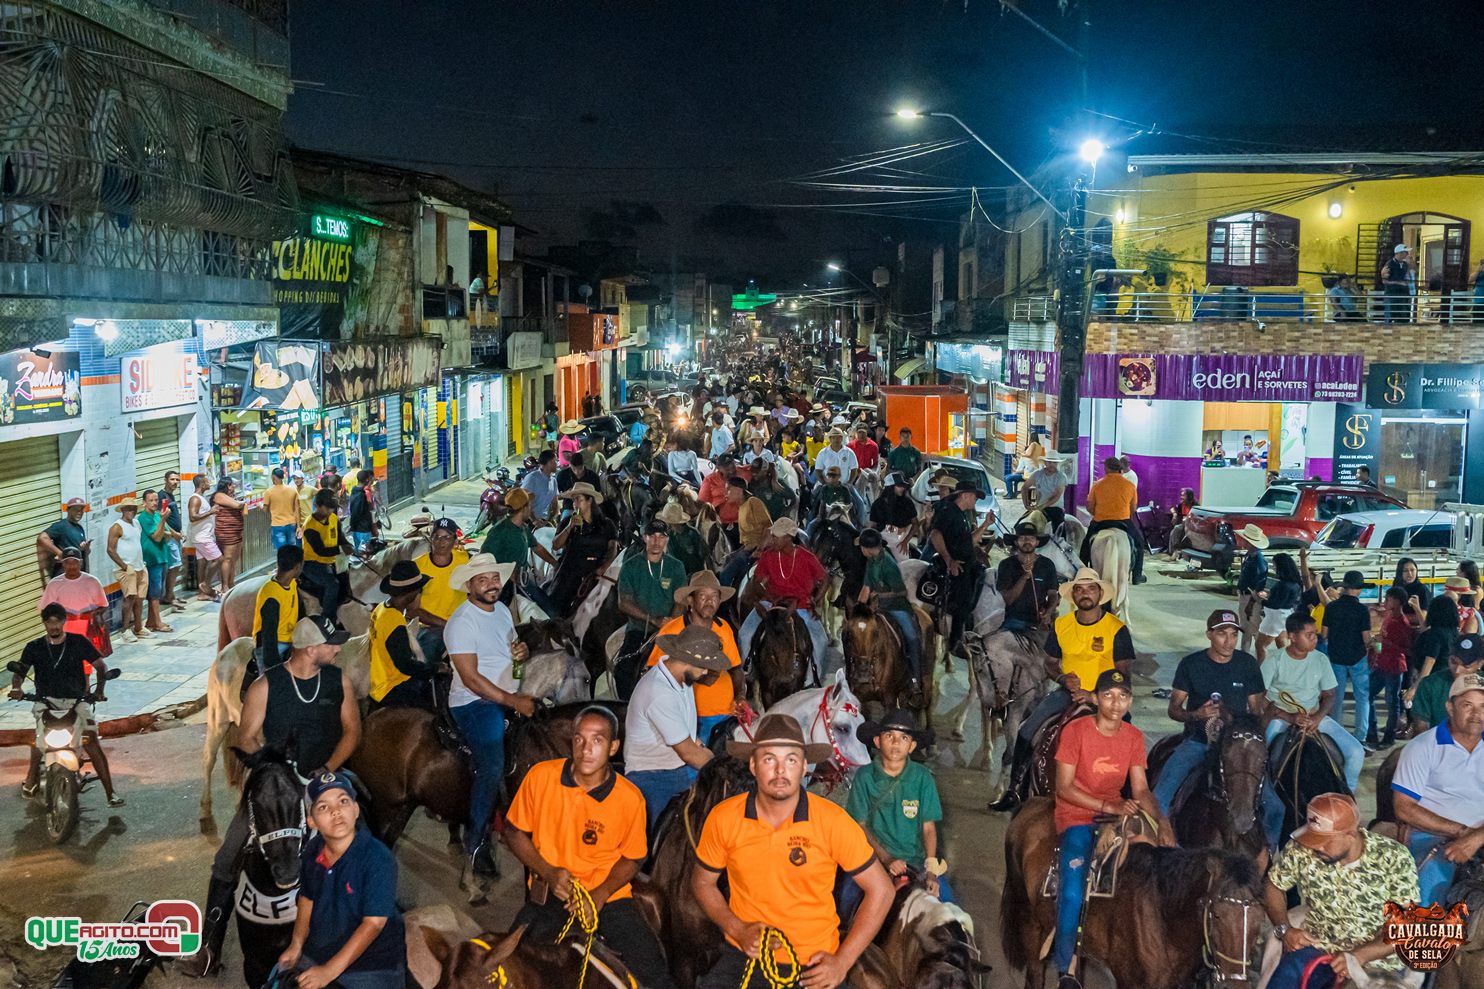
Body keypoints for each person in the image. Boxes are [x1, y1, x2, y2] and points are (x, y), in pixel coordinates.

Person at [181, 614, 357, 978]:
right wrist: (277, 767)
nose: (338, 649)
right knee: (228, 854)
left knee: (363, 834)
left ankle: (369, 921)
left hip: (323, 778)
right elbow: (245, 737)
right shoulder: (266, 685)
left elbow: (353, 731)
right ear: (311, 648)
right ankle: (209, 945)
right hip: (277, 782)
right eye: (332, 643)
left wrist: (327, 770)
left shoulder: (337, 680)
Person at [692, 713, 893, 989]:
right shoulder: (724, 818)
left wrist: (843, 962)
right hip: (745, 957)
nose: (779, 771)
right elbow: (702, 882)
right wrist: (737, 928)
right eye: (768, 759)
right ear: (753, 765)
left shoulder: (832, 821)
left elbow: (881, 890)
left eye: (791, 760)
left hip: (814, 963)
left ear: (803, 768)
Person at [504, 707, 675, 989]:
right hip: (549, 896)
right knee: (508, 967)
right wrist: (548, 871)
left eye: (597, 740)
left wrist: (599, 894)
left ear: (613, 747)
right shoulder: (540, 776)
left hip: (607, 898)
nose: (586, 749)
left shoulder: (630, 799)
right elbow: (513, 831)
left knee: (655, 976)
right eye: (579, 739)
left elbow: (633, 858)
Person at [1050, 669, 1171, 980]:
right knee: (1073, 891)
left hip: (1117, 814)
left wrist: (1161, 821)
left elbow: (1141, 789)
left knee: (1161, 865)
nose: (1116, 703)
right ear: (1096, 698)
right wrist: (1109, 806)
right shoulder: (1076, 731)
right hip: (1076, 814)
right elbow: (1063, 787)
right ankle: (1066, 965)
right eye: (1108, 696)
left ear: (1130, 700)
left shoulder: (1132, 736)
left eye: (1123, 696)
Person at [991, 568, 1135, 812]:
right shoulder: (1062, 625)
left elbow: (1123, 675)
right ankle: (1015, 789)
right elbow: (1049, 661)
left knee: (1128, 740)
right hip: (1066, 693)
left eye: (1091, 589)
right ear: (1074, 596)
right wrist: (1061, 677)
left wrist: (1095, 695)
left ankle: (1129, 797)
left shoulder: (1116, 629)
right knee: (1027, 730)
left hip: (1106, 698)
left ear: (1100, 594)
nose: (1085, 593)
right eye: (1079, 589)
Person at [1262, 792, 1417, 989]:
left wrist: (1358, 956)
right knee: (1282, 980)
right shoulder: (1301, 849)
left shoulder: (1393, 857)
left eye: (1325, 841)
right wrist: (1285, 929)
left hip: (1376, 961)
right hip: (1319, 948)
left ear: (1351, 835)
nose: (1316, 847)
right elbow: (1273, 885)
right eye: (1313, 838)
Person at [1152, 608, 1281, 842]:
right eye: (1222, 634)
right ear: (1209, 634)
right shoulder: (1191, 664)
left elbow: (1256, 709)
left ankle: (1268, 857)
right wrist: (1196, 715)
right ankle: (1165, 849)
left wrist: (1260, 726)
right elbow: (1174, 709)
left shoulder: (1247, 664)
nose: (1229, 641)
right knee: (1160, 796)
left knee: (1275, 807)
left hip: (1238, 748)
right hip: (1199, 742)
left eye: (1234, 634)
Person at [443, 555, 535, 878]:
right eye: (482, 580)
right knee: (492, 765)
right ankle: (476, 841)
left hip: (508, 695)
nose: (491, 584)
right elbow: (470, 679)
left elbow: (511, 656)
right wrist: (512, 700)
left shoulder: (501, 612)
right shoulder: (461, 622)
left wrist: (520, 655)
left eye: (495, 578)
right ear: (469, 586)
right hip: (474, 703)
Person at [277, 771, 407, 989]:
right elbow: (307, 900)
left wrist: (329, 971)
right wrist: (296, 944)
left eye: (343, 801)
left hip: (371, 965)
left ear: (355, 810)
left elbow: (373, 924)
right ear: (312, 821)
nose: (336, 811)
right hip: (318, 950)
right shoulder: (311, 851)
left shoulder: (378, 858)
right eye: (323, 807)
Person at [9, 602, 122, 806]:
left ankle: (110, 792)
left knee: (92, 741)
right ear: (44, 623)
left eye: (57, 622)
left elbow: (100, 666)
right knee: (38, 738)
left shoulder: (78, 642)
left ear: (64, 621)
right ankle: (31, 780)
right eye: (49, 622)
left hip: (77, 700)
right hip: (46, 701)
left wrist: (99, 691)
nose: (54, 626)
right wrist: (17, 688)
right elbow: (20, 671)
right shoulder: (34, 647)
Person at [1392, 667, 1484, 907]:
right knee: (1428, 899)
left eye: (1483, 706)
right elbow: (1404, 808)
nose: (1477, 714)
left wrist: (1474, 838)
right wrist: (1460, 832)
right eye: (1468, 705)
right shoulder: (1423, 747)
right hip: (1433, 833)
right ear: (1450, 708)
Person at [844, 710, 950, 916]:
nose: (895, 742)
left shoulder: (923, 778)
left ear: (911, 746)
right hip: (872, 859)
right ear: (877, 741)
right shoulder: (864, 777)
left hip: (915, 861)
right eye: (888, 736)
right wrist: (886, 858)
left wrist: (930, 869)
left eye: (903, 738)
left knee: (951, 909)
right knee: (846, 900)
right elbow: (859, 825)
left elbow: (928, 828)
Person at [626, 624, 726, 824]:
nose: (706, 671)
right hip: (651, 777)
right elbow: (688, 752)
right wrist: (723, 772)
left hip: (676, 770)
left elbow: (692, 741)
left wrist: (716, 762)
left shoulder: (682, 680)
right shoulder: (659, 692)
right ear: (687, 662)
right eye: (703, 666)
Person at [1263, 612, 1367, 794]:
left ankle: (1348, 799)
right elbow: (1260, 697)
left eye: (1315, 634)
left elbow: (1329, 694)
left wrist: (1317, 718)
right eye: (1309, 634)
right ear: (1292, 637)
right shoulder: (1274, 660)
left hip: (1313, 717)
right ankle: (1262, 799)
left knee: (1356, 752)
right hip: (1281, 718)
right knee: (1262, 755)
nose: (1314, 638)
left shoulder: (1320, 659)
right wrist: (1289, 716)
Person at [645, 571, 743, 742]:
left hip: (725, 713)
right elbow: (655, 674)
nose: (709, 601)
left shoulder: (724, 627)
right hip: (688, 715)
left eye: (714, 596)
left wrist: (740, 696)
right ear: (690, 600)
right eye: (703, 595)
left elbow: (735, 668)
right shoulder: (671, 631)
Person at [737, 518, 829, 682]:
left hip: (800, 605)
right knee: (744, 634)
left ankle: (812, 678)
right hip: (771, 602)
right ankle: (747, 670)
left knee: (821, 640)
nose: (772, 539)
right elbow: (757, 580)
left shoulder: (806, 557)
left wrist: (815, 599)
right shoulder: (768, 556)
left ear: (788, 537)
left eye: (776, 536)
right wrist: (761, 598)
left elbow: (825, 579)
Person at [615, 520, 686, 696]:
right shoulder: (630, 566)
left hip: (670, 629)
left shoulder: (676, 566)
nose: (656, 541)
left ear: (667, 540)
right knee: (623, 670)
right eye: (652, 536)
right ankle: (627, 708)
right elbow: (624, 602)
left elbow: (681, 600)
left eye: (661, 537)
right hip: (640, 629)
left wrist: (670, 623)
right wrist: (652, 619)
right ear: (645, 538)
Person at [857, 528, 924, 694]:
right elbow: (866, 587)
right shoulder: (871, 561)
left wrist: (879, 595)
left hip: (896, 607)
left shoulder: (889, 564)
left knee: (912, 638)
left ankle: (915, 678)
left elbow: (901, 591)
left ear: (866, 548)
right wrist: (858, 609)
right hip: (877, 606)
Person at [367, 561, 437, 711]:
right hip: (394, 686)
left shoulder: (381, 608)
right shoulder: (394, 620)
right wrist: (435, 669)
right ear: (412, 592)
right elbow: (405, 665)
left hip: (377, 683)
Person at [929, 479, 986, 657]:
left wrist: (985, 526)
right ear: (965, 495)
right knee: (964, 599)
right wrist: (949, 560)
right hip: (956, 564)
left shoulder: (961, 514)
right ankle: (954, 642)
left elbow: (968, 541)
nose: (976, 501)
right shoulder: (948, 512)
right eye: (975, 497)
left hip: (966, 561)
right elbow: (935, 534)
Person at [481, 488, 559, 613]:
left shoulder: (523, 528)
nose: (531, 509)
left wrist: (555, 563)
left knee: (548, 607)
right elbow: (484, 557)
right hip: (505, 587)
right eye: (530, 505)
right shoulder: (500, 531)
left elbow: (536, 547)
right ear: (525, 508)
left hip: (522, 581)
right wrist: (506, 571)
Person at [548, 482, 618, 618]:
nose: (575, 503)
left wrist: (604, 566)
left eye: (578, 499)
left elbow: (613, 548)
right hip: (571, 571)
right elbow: (556, 545)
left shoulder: (607, 524)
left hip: (596, 572)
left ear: (589, 500)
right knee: (556, 609)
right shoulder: (568, 521)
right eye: (573, 500)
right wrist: (570, 527)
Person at [1321, 570, 1374, 748]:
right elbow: (1366, 638)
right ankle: (1360, 737)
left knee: (1336, 697)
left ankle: (1335, 733)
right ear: (1358, 589)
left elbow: (1324, 634)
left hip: (1336, 657)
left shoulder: (1331, 607)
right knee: (1362, 698)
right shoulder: (1362, 610)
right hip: (1357, 658)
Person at [413, 518, 471, 663]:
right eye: (437, 536)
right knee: (426, 656)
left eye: (447, 537)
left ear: (455, 541)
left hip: (463, 622)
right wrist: (447, 625)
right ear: (430, 539)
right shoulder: (418, 566)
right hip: (430, 626)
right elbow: (413, 610)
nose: (441, 541)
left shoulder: (466, 560)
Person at [1081, 457, 1145, 585]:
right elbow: (1133, 508)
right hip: (1123, 522)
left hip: (1100, 521)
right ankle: (1137, 576)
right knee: (1140, 544)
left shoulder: (1097, 485)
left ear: (1107, 468)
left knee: (1085, 546)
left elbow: (1090, 507)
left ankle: (1083, 574)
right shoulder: (1130, 486)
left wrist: (1098, 514)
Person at [1371, 586, 1416, 748]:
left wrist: (1384, 643)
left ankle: (1388, 737)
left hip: (1394, 667)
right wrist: (1377, 650)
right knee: (1369, 695)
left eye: (1388, 599)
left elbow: (1407, 649)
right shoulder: (1389, 616)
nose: (1385, 601)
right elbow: (1383, 639)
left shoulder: (1403, 623)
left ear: (1397, 602)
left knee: (1392, 703)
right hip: (1382, 664)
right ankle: (1373, 731)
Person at [40, 546, 108, 648]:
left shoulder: (92, 582)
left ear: (80, 562)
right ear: (63, 564)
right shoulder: (54, 584)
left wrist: (92, 614)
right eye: (68, 563)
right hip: (65, 634)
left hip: (88, 632)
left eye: (75, 562)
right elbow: (45, 610)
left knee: (89, 661)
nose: (72, 566)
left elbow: (104, 606)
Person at [995, 521, 1058, 631]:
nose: (1027, 541)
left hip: (1039, 621)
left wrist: (1048, 612)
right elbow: (1008, 600)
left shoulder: (1047, 564)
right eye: (1022, 538)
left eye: (1031, 538)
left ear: (1037, 542)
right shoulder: (1006, 565)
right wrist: (1024, 576)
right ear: (1016, 542)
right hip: (1014, 620)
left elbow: (1053, 594)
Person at [252, 545, 304, 677]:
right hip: (272, 645)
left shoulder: (292, 584)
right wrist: (274, 666)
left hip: (290, 641)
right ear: (298, 567)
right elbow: (269, 634)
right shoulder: (271, 595)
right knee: (273, 687)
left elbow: (301, 614)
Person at [1406, 595, 1459, 721]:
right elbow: (1426, 629)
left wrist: (1415, 687)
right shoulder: (1454, 632)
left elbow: (1429, 662)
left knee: (1430, 718)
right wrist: (1417, 608)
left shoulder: (1435, 634)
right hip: (1449, 679)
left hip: (1434, 681)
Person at [302, 490, 348, 623]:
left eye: (332, 507)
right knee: (332, 584)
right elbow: (320, 551)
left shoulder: (334, 519)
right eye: (327, 507)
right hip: (313, 563)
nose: (330, 511)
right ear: (318, 505)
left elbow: (341, 538)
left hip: (333, 560)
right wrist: (340, 549)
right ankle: (328, 619)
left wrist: (347, 545)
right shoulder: (310, 525)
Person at [106, 497, 148, 642]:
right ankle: (125, 630)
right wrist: (125, 567)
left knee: (139, 598)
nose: (132, 511)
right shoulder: (117, 526)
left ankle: (138, 627)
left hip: (140, 566)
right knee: (129, 598)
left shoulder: (136, 524)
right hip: (126, 568)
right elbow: (110, 550)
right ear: (123, 510)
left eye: (134, 508)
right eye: (129, 508)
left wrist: (141, 564)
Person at [137, 489, 175, 634]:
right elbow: (158, 537)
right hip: (152, 560)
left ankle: (151, 621)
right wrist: (163, 522)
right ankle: (157, 622)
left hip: (162, 557)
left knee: (158, 590)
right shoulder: (144, 518)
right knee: (154, 592)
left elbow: (169, 535)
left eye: (156, 500)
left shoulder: (158, 516)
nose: (154, 503)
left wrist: (163, 527)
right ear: (144, 502)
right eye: (151, 501)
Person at [1256, 551, 1302, 665]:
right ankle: (1288, 668)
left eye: (1275, 565)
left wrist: (1262, 599)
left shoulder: (1284, 584)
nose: (1274, 567)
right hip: (1285, 615)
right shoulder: (1295, 583)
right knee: (1282, 643)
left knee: (1261, 645)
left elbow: (1275, 604)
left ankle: (1261, 669)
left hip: (1275, 616)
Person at [1236, 524, 1270, 655]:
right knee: (1245, 628)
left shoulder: (1258, 561)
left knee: (1253, 628)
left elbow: (1259, 583)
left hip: (1251, 598)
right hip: (1246, 596)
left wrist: (1252, 602)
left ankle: (1260, 655)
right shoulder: (1250, 557)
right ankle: (1244, 654)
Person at [37, 497, 90, 581]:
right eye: (76, 509)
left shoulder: (79, 528)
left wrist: (86, 548)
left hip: (77, 574)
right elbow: (42, 538)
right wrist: (60, 553)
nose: (79, 512)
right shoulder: (61, 526)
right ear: (68, 510)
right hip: (65, 574)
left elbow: (83, 552)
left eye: (81, 510)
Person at [187, 474, 221, 601]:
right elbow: (192, 516)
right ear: (201, 484)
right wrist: (210, 512)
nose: (209, 484)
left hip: (203, 536)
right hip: (202, 537)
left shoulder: (201, 498)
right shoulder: (195, 499)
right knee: (219, 559)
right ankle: (206, 585)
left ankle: (202, 593)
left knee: (202, 563)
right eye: (207, 482)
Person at [158, 470, 186, 613]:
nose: (175, 482)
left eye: (177, 480)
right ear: (165, 480)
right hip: (170, 538)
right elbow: (162, 517)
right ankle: (168, 595)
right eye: (172, 479)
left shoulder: (171, 495)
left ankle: (171, 594)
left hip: (176, 537)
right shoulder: (162, 497)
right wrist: (174, 533)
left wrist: (180, 532)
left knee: (176, 566)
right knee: (174, 566)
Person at [211, 477, 246, 591]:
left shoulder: (232, 497)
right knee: (228, 558)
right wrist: (243, 503)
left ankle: (231, 582)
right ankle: (225, 585)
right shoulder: (219, 495)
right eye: (231, 485)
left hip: (236, 531)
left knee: (234, 559)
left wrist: (241, 503)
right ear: (226, 486)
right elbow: (237, 506)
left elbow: (241, 510)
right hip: (226, 531)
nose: (234, 487)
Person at [1021, 458, 1067, 527]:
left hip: (1055, 507)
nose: (1052, 465)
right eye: (1049, 462)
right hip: (1039, 507)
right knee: (1022, 525)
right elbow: (1024, 487)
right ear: (1045, 463)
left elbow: (1057, 496)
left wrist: (1043, 506)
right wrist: (1026, 505)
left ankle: (1061, 537)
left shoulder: (1061, 476)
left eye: (1054, 463)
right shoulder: (1037, 474)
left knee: (1059, 529)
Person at [265, 467, 301, 549]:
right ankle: (292, 562)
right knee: (291, 550)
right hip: (292, 524)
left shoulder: (269, 492)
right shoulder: (292, 490)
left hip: (277, 525)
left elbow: (265, 509)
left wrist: (260, 505)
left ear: (273, 477)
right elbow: (297, 509)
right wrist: (298, 526)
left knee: (282, 551)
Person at [521, 449, 560, 521]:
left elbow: (555, 504)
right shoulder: (532, 478)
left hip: (545, 521)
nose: (557, 464)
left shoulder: (553, 481)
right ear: (549, 462)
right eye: (555, 461)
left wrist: (549, 521)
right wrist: (535, 521)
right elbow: (524, 502)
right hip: (530, 521)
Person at [1381, 243, 1414, 324]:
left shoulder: (1405, 265)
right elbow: (1384, 281)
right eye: (1405, 252)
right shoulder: (1390, 264)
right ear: (1399, 253)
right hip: (1392, 295)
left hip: (1403, 295)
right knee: (1391, 317)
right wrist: (1398, 283)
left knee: (1404, 317)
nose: (1407, 254)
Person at [347, 470, 377, 551]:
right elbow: (356, 513)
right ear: (367, 480)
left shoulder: (354, 492)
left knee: (360, 552)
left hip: (358, 529)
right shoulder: (361, 495)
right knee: (366, 553)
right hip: (363, 529)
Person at [1167, 487, 1198, 556]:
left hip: (1192, 526)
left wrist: (1188, 519)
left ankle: (1175, 552)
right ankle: (1173, 552)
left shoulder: (1195, 506)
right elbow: (1172, 508)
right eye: (1181, 495)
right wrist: (1174, 514)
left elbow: (1197, 518)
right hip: (1184, 525)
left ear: (1189, 496)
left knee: (1177, 528)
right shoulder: (1182, 504)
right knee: (1172, 532)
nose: (1181, 497)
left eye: (1183, 495)